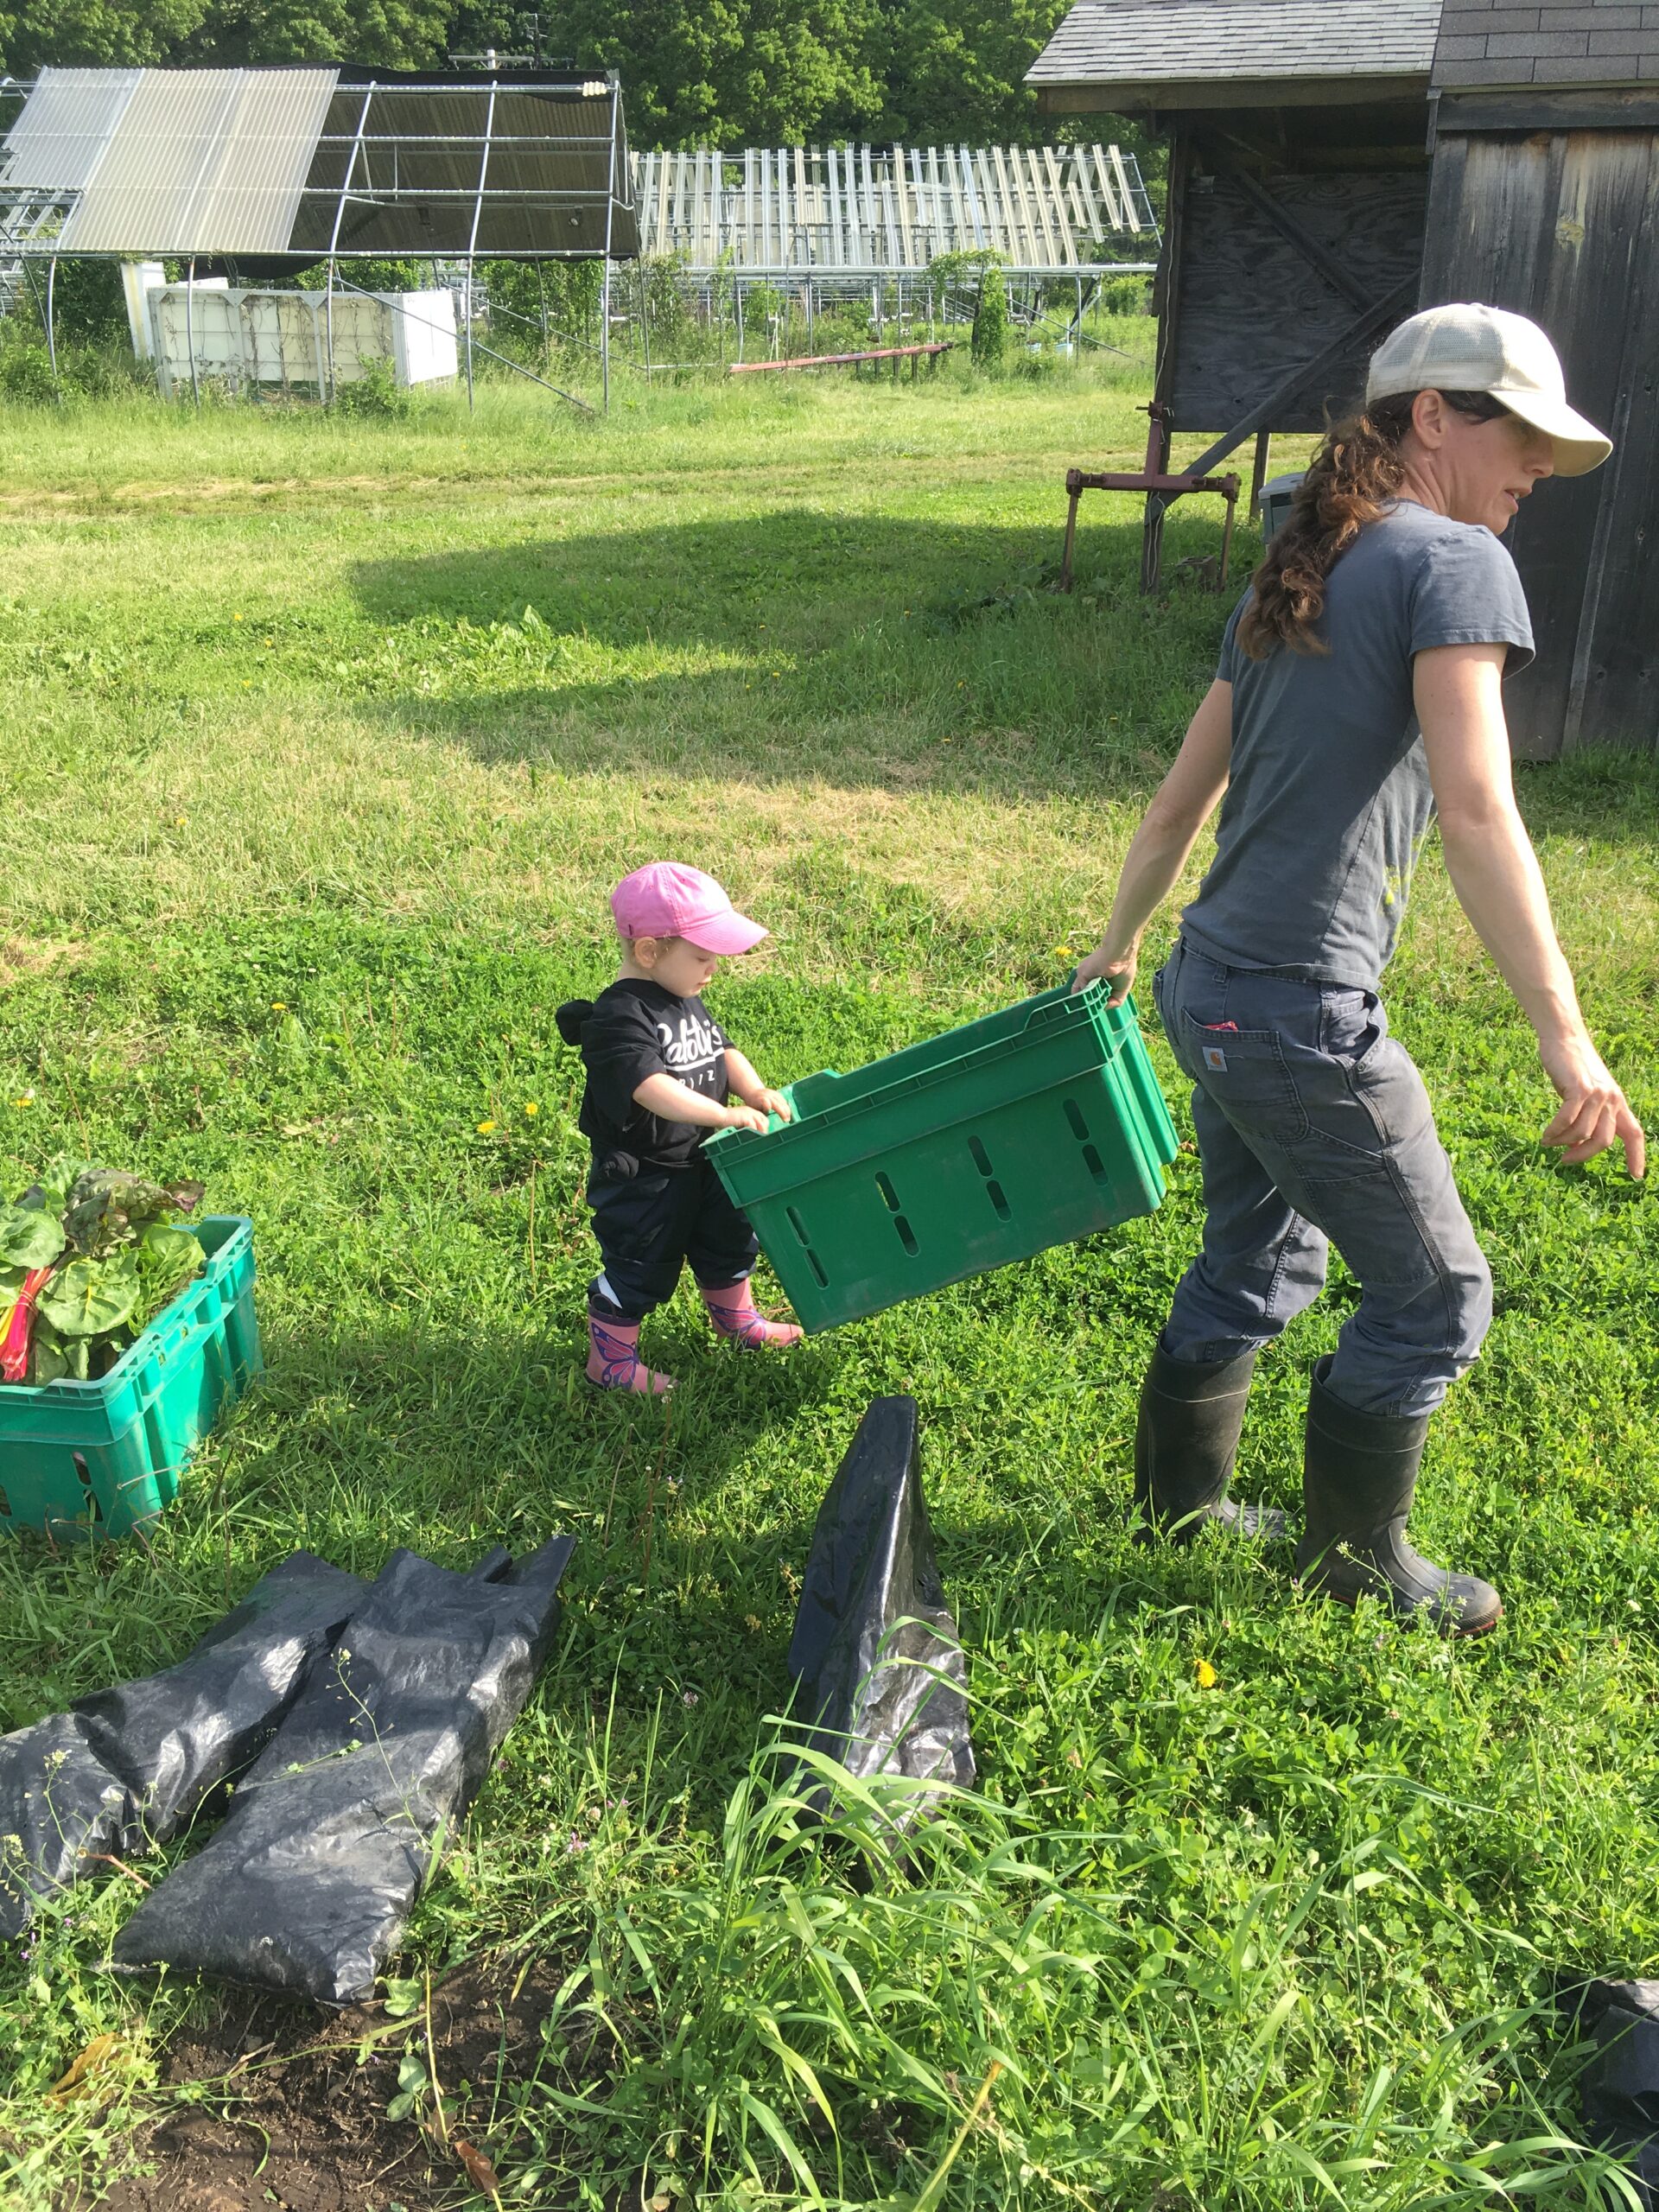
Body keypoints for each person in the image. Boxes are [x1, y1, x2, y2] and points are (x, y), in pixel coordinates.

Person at [1073, 302, 1645, 1637]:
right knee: (1439, 1297)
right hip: (1293, 1012)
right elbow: (1480, 811)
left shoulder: (1301, 567)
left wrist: (1118, 944)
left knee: (1258, 1256)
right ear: (1434, 417)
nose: (1535, 479)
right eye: (1524, 445)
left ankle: (1178, 1505)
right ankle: (1353, 1566)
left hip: (1208, 984)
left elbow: (1173, 810)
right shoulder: (1449, 564)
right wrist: (1568, 1040)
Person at [556, 862, 803, 1395]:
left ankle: (736, 1321)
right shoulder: (618, 1018)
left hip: (703, 1160)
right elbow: (650, 1088)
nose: (713, 968)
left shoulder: (683, 992)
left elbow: (723, 1050)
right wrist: (723, 1115)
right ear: (649, 952)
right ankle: (611, 1361)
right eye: (702, 955)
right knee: (641, 1260)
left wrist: (753, 1092)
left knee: (728, 1241)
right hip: (645, 1175)